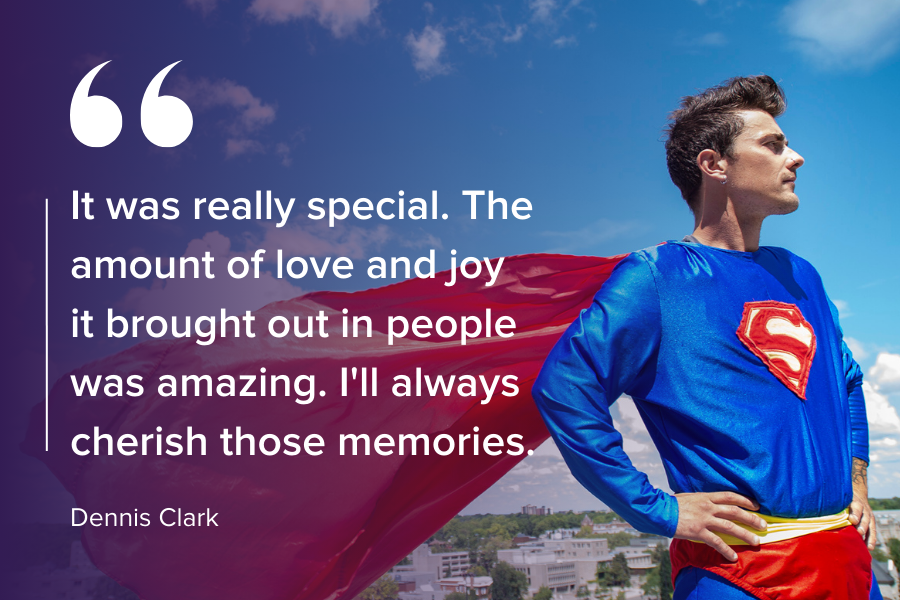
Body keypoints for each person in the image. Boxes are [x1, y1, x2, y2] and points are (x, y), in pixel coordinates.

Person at [531, 75, 878, 600]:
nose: (797, 157)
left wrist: (857, 480)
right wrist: (657, 509)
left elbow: (847, 381)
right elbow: (563, 390)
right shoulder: (656, 277)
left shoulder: (801, 274)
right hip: (738, 576)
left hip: (847, 563)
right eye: (773, 144)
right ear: (714, 165)